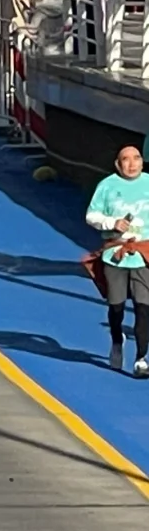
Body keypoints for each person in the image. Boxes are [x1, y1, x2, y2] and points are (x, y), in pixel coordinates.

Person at [85, 145, 149, 376]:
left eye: (136, 158)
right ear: (117, 164)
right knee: (116, 306)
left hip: (143, 255)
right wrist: (113, 223)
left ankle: (141, 358)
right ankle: (116, 340)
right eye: (126, 159)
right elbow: (91, 215)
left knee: (144, 307)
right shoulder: (107, 186)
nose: (132, 164)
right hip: (115, 256)